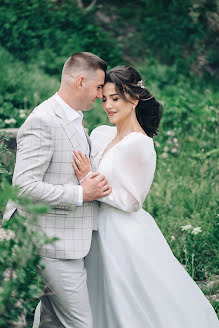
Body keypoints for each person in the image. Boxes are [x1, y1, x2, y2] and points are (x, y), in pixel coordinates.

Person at [73, 65, 219, 327]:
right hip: (92, 228)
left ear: (134, 99)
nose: (108, 106)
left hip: (122, 233)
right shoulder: (102, 134)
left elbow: (133, 201)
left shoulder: (140, 144)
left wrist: (87, 182)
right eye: (104, 99)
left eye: (115, 98)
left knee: (129, 301)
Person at [3, 52, 112, 328]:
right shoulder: (44, 120)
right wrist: (80, 194)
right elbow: (23, 188)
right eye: (98, 87)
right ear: (80, 81)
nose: (101, 95)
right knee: (81, 324)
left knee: (52, 323)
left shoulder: (73, 117)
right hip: (51, 244)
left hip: (68, 240)